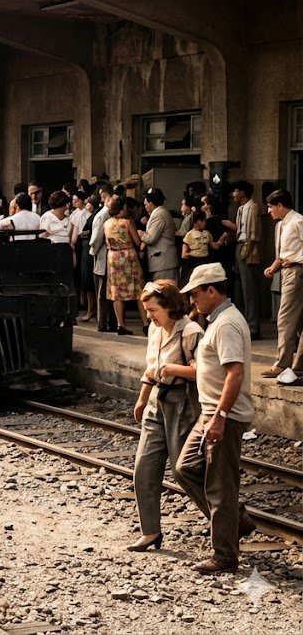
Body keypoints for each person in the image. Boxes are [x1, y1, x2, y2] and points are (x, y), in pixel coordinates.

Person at [175, 263, 256, 574]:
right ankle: (237, 519)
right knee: (186, 468)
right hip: (210, 413)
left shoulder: (227, 325)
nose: (192, 300)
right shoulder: (217, 320)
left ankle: (225, 555)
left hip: (223, 415)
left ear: (212, 290)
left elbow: (235, 372)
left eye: (195, 294)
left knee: (220, 486)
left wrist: (221, 416)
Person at [128, 279, 203, 552]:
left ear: (170, 306)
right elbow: (151, 369)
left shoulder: (190, 331)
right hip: (156, 402)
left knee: (184, 471)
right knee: (144, 469)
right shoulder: (155, 330)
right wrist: (141, 399)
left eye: (152, 310)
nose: (148, 316)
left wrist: (172, 368)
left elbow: (202, 371)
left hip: (181, 403)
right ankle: (150, 532)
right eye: (146, 310)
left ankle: (230, 519)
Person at [262, 189, 303, 380]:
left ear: (280, 206)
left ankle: (282, 363)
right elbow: (285, 252)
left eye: (271, 207)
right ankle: (298, 365)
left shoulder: (297, 221)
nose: (269, 211)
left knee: (285, 318)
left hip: (296, 271)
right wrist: (274, 266)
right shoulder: (282, 225)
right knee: (298, 321)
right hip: (288, 269)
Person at [104, 197, 146, 335]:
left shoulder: (107, 223)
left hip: (113, 257)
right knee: (138, 289)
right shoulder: (127, 222)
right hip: (128, 256)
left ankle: (120, 324)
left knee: (116, 292)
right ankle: (146, 324)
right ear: (122, 209)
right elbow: (137, 241)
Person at [231, 181, 262, 340]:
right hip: (240, 246)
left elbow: (253, 233)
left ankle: (253, 327)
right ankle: (243, 324)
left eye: (236, 191)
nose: (233, 194)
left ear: (243, 192)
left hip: (247, 248)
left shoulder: (253, 207)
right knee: (240, 289)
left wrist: (246, 250)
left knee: (250, 290)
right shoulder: (241, 208)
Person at [90, 185, 118, 333]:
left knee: (102, 292)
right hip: (109, 255)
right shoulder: (109, 214)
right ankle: (110, 322)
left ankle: (103, 322)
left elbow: (96, 238)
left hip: (102, 255)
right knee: (109, 292)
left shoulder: (103, 215)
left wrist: (92, 250)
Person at [140, 188, 179, 284]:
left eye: (146, 203)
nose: (145, 206)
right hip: (163, 262)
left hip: (164, 263)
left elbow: (150, 238)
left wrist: (140, 233)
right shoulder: (160, 212)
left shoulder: (159, 214)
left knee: (165, 293)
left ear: (151, 202)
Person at [182, 211, 221, 284]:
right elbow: (184, 254)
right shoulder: (189, 234)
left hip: (205, 260)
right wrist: (189, 254)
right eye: (204, 221)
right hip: (193, 261)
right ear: (199, 221)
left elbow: (214, 246)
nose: (205, 223)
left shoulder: (207, 233)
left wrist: (222, 239)